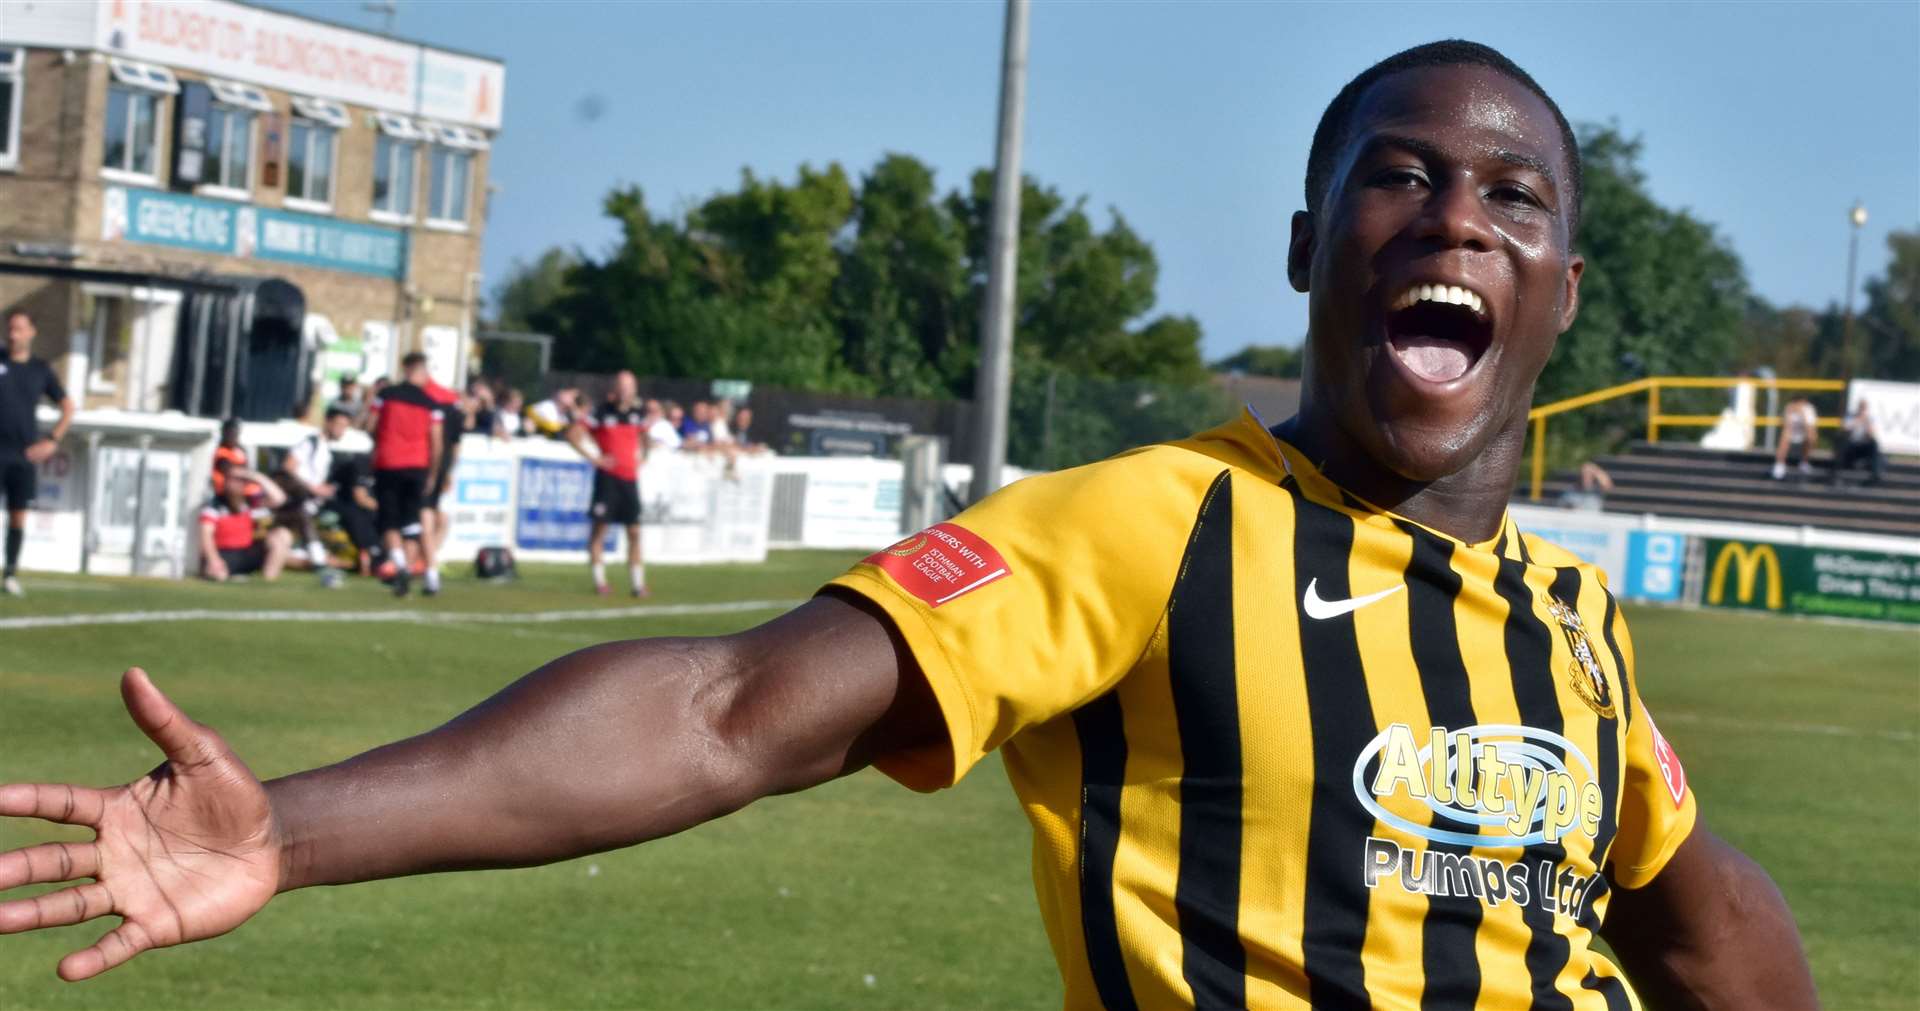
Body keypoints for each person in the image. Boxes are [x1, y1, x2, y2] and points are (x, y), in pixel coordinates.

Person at [0, 42, 1817, 1009]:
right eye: (1396, 176)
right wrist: (288, 835)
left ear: (1561, 291)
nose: (1452, 217)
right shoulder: (1142, 529)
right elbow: (726, 712)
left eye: (1510, 194)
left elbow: (1687, 907)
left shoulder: (1564, 617)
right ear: (1306, 248)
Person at [0, 310, 74, 597]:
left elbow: (68, 407)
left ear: (31, 332)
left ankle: (10, 573)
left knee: (18, 516)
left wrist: (52, 440)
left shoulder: (40, 369)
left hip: (22, 455)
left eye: (19, 329)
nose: (13, 334)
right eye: (10, 328)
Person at [367, 352, 445, 597]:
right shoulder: (430, 403)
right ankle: (421, 573)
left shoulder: (386, 395)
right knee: (414, 522)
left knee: (389, 519)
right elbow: (437, 442)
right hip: (417, 466)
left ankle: (400, 564)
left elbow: (370, 425)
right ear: (419, 371)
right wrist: (433, 473)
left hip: (388, 463)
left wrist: (380, 442)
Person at [568, 370, 650, 598]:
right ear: (615, 388)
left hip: (630, 480)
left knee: (634, 532)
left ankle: (637, 584)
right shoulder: (601, 412)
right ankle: (600, 581)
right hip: (608, 480)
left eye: (629, 386)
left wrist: (645, 456)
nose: (626, 391)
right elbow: (573, 434)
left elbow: (645, 437)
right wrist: (594, 458)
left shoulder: (637, 414)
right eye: (622, 386)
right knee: (600, 529)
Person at [277, 408, 353, 589]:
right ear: (328, 422)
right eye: (339, 425)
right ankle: (321, 564)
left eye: (345, 426)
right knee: (302, 519)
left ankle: (326, 562)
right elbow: (288, 467)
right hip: (294, 501)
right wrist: (313, 488)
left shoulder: (327, 450)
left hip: (312, 504)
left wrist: (324, 489)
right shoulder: (309, 443)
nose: (342, 430)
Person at [198, 460, 291, 583]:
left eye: (241, 480)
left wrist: (253, 476)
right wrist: (213, 559)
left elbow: (279, 498)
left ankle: (268, 580)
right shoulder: (215, 505)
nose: (238, 484)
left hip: (247, 552)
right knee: (216, 574)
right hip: (225, 554)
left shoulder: (249, 502)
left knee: (282, 534)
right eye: (233, 479)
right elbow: (206, 535)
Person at [421, 374, 465, 561]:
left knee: (436, 517)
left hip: (431, 468)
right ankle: (427, 561)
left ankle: (427, 560)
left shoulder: (424, 404)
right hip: (431, 467)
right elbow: (455, 445)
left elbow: (453, 445)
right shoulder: (451, 408)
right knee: (433, 516)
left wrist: (448, 471)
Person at [1831, 400, 1885, 487]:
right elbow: (1845, 430)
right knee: (1842, 443)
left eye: (1864, 407)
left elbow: (1872, 435)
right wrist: (1858, 420)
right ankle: (1835, 474)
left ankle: (1876, 475)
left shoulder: (1870, 418)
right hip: (1852, 446)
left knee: (1874, 444)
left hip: (1863, 446)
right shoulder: (1850, 416)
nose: (1862, 409)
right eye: (1861, 407)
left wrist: (1867, 424)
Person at [1771, 396, 1818, 480]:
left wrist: (1803, 415)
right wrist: (1789, 415)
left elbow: (1809, 428)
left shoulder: (1808, 410)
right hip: (1791, 434)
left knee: (1811, 437)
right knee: (1785, 435)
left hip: (1803, 434)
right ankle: (1779, 464)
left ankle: (1804, 462)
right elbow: (1786, 427)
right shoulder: (1789, 408)